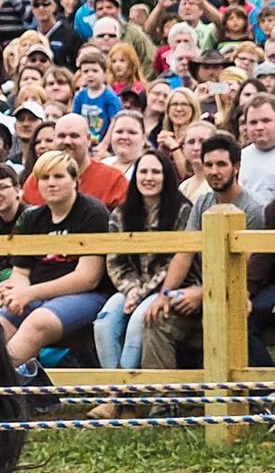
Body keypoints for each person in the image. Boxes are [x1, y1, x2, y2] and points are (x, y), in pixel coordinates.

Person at [144, 134, 267, 370]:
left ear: (236, 167)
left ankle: (236, 396)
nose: (214, 171)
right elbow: (185, 251)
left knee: (224, 314)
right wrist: (165, 294)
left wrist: (201, 294)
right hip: (199, 289)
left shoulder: (253, 209)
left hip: (235, 293)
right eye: (208, 165)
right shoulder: (202, 203)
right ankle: (162, 403)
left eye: (221, 164)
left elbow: (247, 270)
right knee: (158, 317)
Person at [89, 150, 187, 415]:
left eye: (156, 172)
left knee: (139, 323)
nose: (149, 177)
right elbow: (115, 260)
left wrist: (143, 292)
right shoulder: (122, 213)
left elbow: (176, 262)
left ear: (167, 177)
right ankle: (118, 396)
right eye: (143, 172)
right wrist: (131, 289)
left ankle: (118, 398)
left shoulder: (182, 211)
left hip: (170, 287)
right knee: (105, 322)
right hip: (131, 286)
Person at [0, 151, 110, 368]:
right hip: (37, 294)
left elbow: (87, 278)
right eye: (44, 178)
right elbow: (21, 272)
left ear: (75, 180)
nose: (51, 184)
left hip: (86, 295)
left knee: (38, 322)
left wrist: (29, 293)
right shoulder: (32, 218)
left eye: (58, 176)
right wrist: (17, 293)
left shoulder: (93, 213)